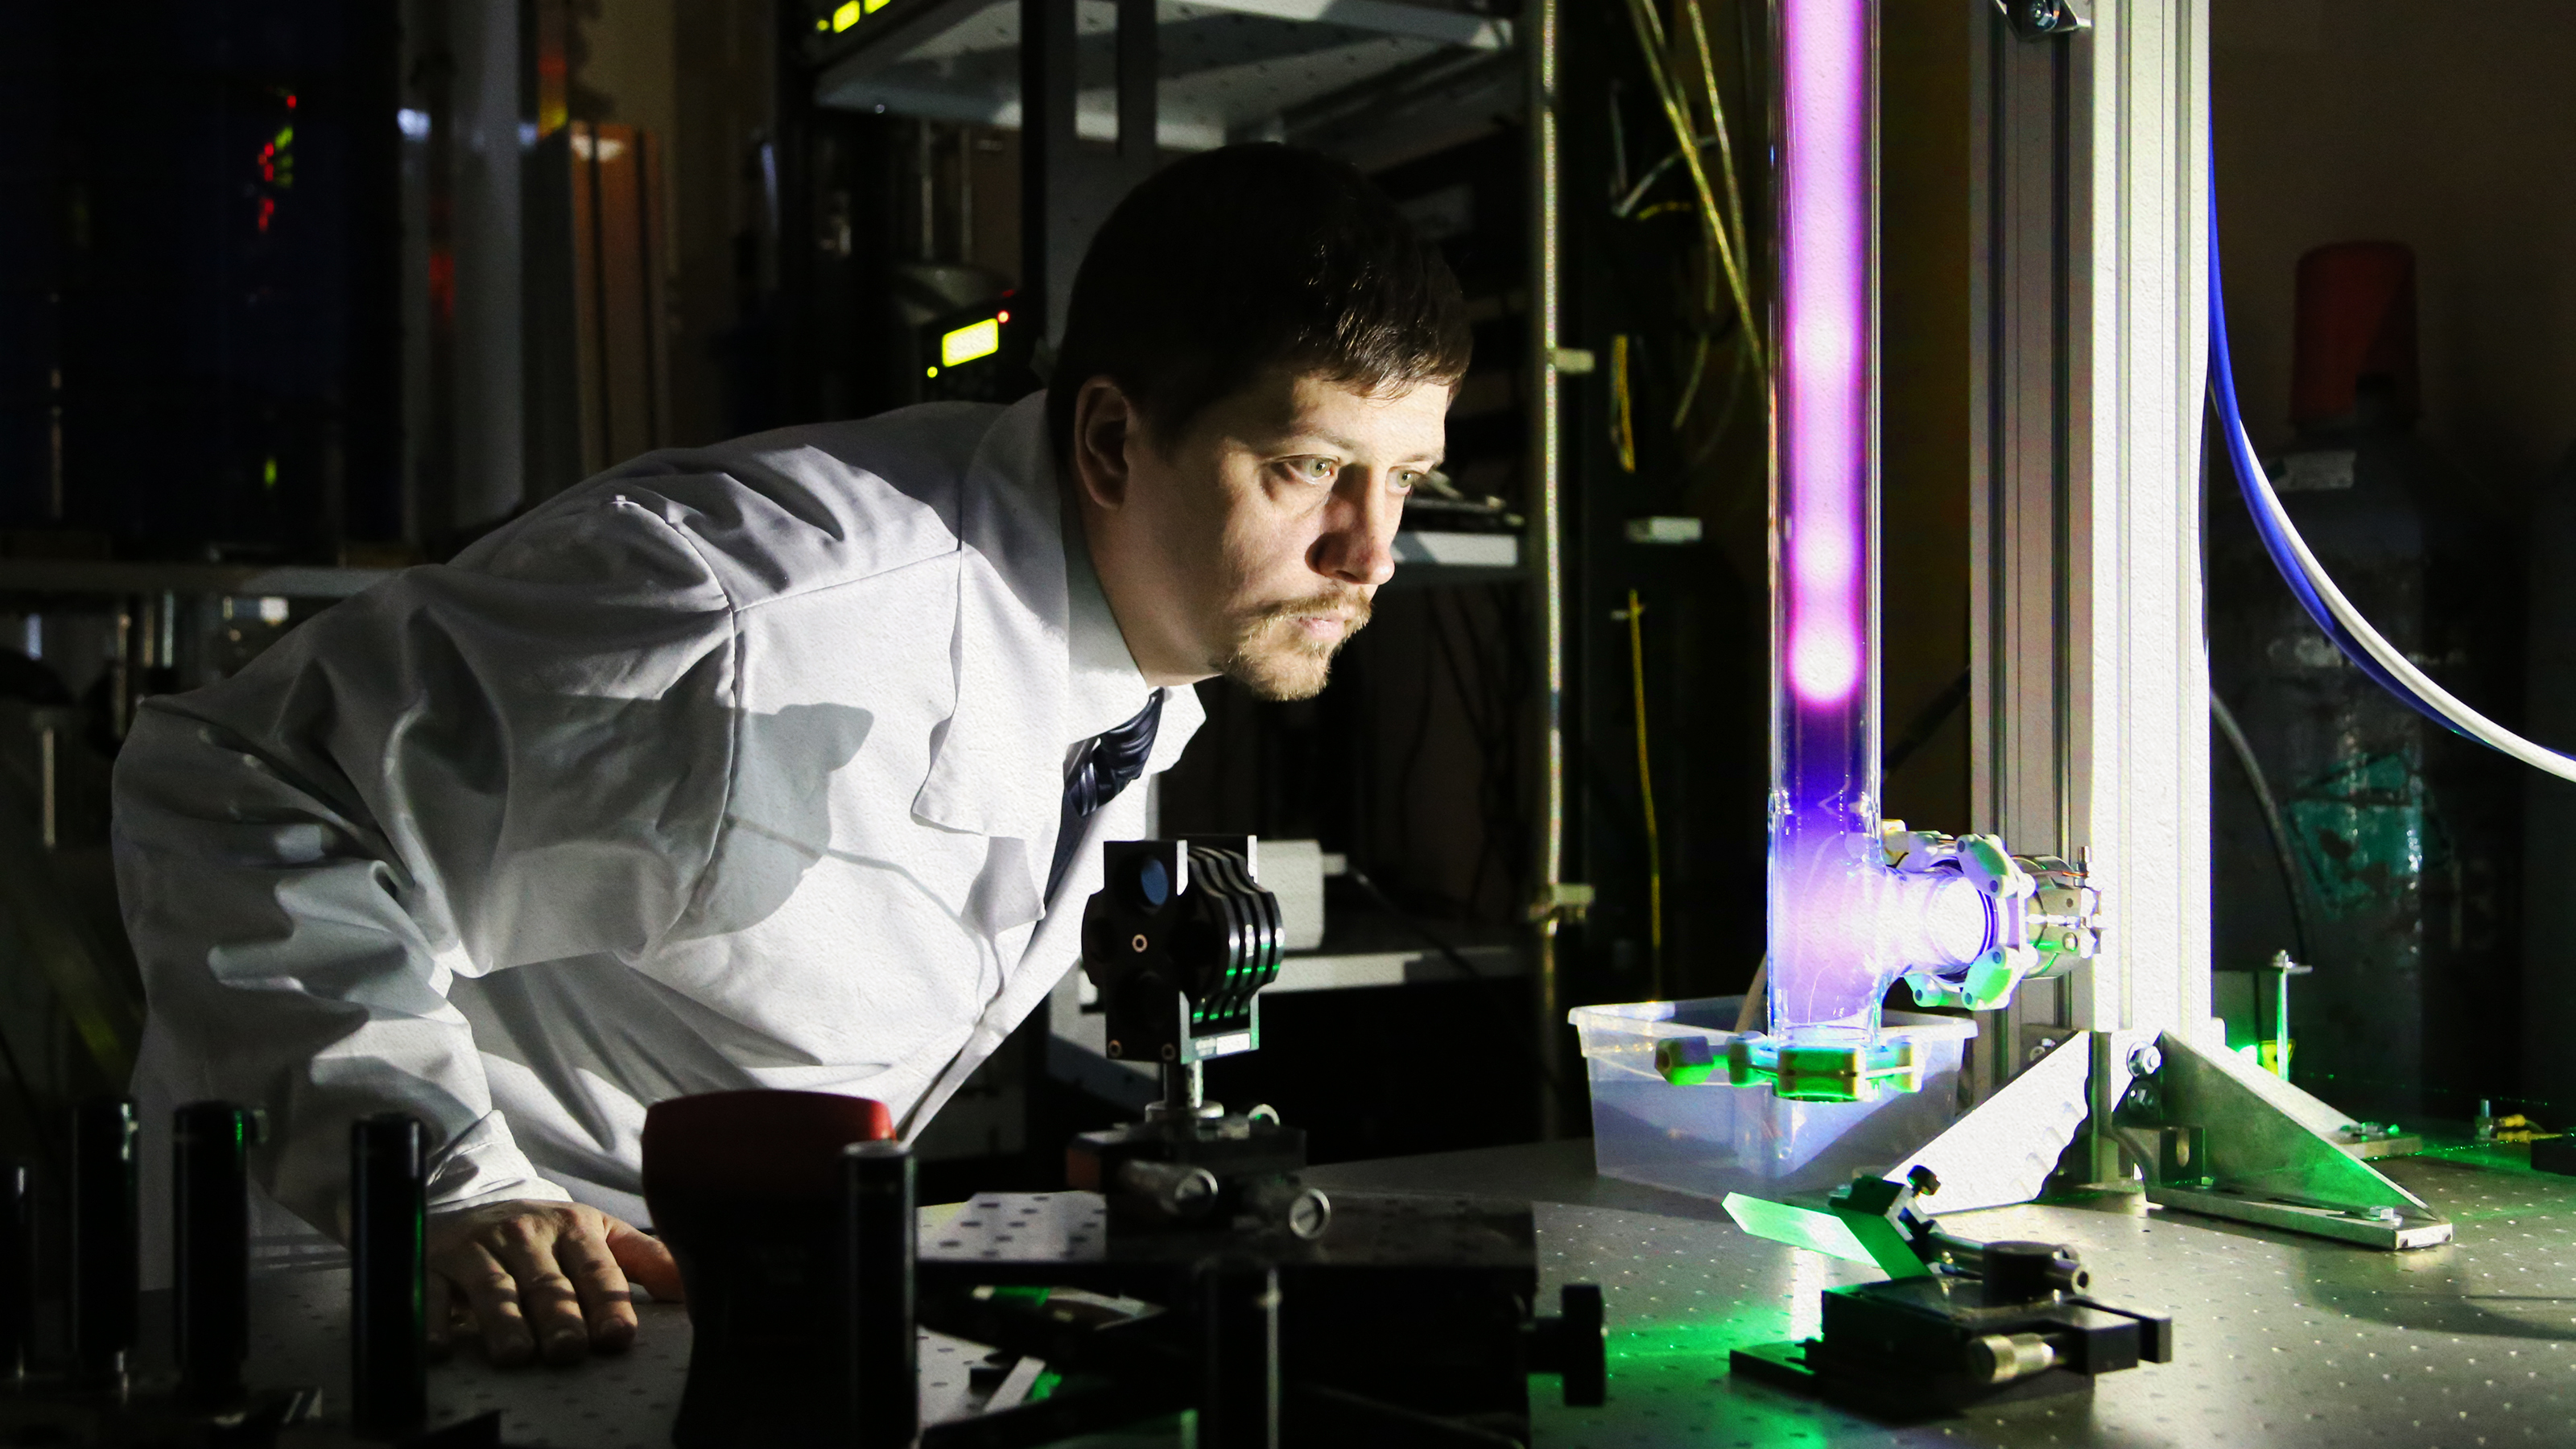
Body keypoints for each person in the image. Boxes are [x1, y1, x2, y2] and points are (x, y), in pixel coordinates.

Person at [111, 143, 1469, 1367]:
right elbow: (230, 785)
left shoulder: (1132, 650)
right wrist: (445, 1184)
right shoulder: (750, 622)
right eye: (1309, 467)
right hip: (359, 1274)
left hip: (661, 1288)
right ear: (1114, 441)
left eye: (1405, 478)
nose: (1373, 553)